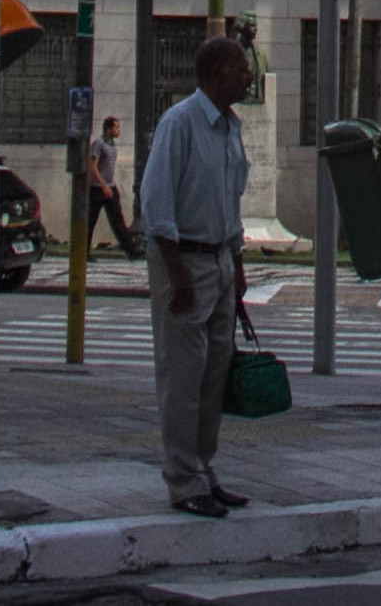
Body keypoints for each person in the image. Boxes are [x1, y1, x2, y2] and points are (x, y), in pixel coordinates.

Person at [140, 34, 254, 518]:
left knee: (214, 375)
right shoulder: (180, 123)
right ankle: (182, 479)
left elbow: (230, 200)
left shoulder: (231, 127)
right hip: (184, 259)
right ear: (213, 74)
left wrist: (238, 265)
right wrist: (176, 272)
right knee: (183, 376)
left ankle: (204, 469)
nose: (248, 75)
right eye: (240, 68)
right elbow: (156, 201)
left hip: (221, 260)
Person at [88, 115, 141, 259]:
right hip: (97, 188)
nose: (118, 130)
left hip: (110, 186)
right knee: (90, 221)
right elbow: (93, 167)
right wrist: (102, 185)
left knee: (117, 220)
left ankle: (131, 250)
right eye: (116, 127)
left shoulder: (112, 144)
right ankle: (83, 252)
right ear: (108, 128)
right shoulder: (98, 144)